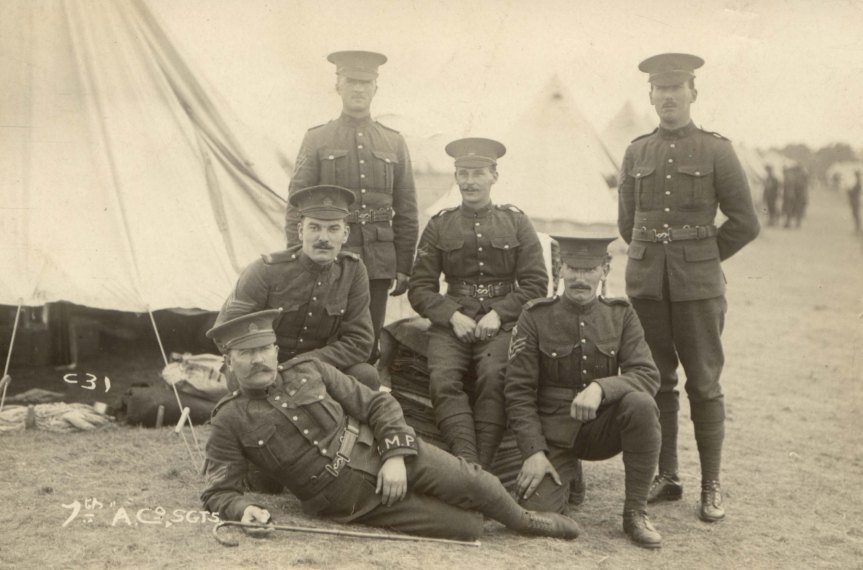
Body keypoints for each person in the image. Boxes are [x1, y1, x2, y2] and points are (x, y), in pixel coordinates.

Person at [201, 309, 581, 542]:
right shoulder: (229, 420)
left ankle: (527, 522)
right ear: (228, 361)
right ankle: (480, 514)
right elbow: (218, 491)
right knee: (466, 528)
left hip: (380, 448)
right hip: (347, 500)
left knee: (478, 483)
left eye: (263, 349)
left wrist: (395, 455)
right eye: (245, 353)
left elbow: (377, 402)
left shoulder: (309, 370)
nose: (258, 360)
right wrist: (242, 510)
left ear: (275, 350)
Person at [617, 53, 760, 523]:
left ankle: (711, 485)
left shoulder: (717, 150)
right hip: (647, 285)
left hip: (698, 287)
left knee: (704, 383)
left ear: (692, 93)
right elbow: (626, 224)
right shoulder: (637, 151)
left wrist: (702, 256)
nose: (668, 97)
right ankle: (667, 474)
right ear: (650, 96)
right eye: (660, 89)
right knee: (656, 379)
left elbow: (745, 222)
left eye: (676, 88)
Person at [504, 235, 662, 548]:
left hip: (601, 428)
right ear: (559, 269)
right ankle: (570, 475)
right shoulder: (534, 316)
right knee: (538, 513)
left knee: (641, 405)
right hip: (554, 436)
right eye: (573, 268)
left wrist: (601, 388)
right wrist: (533, 452)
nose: (580, 278)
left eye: (589, 269)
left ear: (605, 270)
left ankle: (636, 512)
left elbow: (647, 374)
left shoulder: (621, 314)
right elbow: (518, 392)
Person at [408, 138, 548, 468]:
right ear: (456, 177)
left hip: (503, 323)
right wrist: (451, 315)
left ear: (494, 176)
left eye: (478, 173)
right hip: (453, 322)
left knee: (494, 375)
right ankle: (467, 463)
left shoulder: (516, 222)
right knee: (443, 379)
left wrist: (500, 314)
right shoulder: (439, 225)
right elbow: (420, 287)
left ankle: (481, 466)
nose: (469, 182)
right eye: (463, 174)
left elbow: (536, 284)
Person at [285, 51, 418, 362]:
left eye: (365, 83)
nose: (358, 89)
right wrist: (297, 255)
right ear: (338, 86)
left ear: (375, 88)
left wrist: (403, 265)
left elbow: (407, 208)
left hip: (378, 261)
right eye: (351, 82)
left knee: (368, 342)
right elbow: (296, 205)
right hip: (329, 255)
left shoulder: (394, 142)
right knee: (324, 339)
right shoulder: (317, 138)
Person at [217, 185, 380, 391]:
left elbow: (359, 342)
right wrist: (265, 364)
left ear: (345, 234)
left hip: (317, 367)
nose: (323, 238)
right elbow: (226, 333)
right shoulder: (266, 269)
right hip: (263, 367)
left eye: (333, 229)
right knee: (244, 385)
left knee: (365, 375)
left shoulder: (353, 271)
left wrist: (303, 365)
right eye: (314, 228)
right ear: (301, 231)